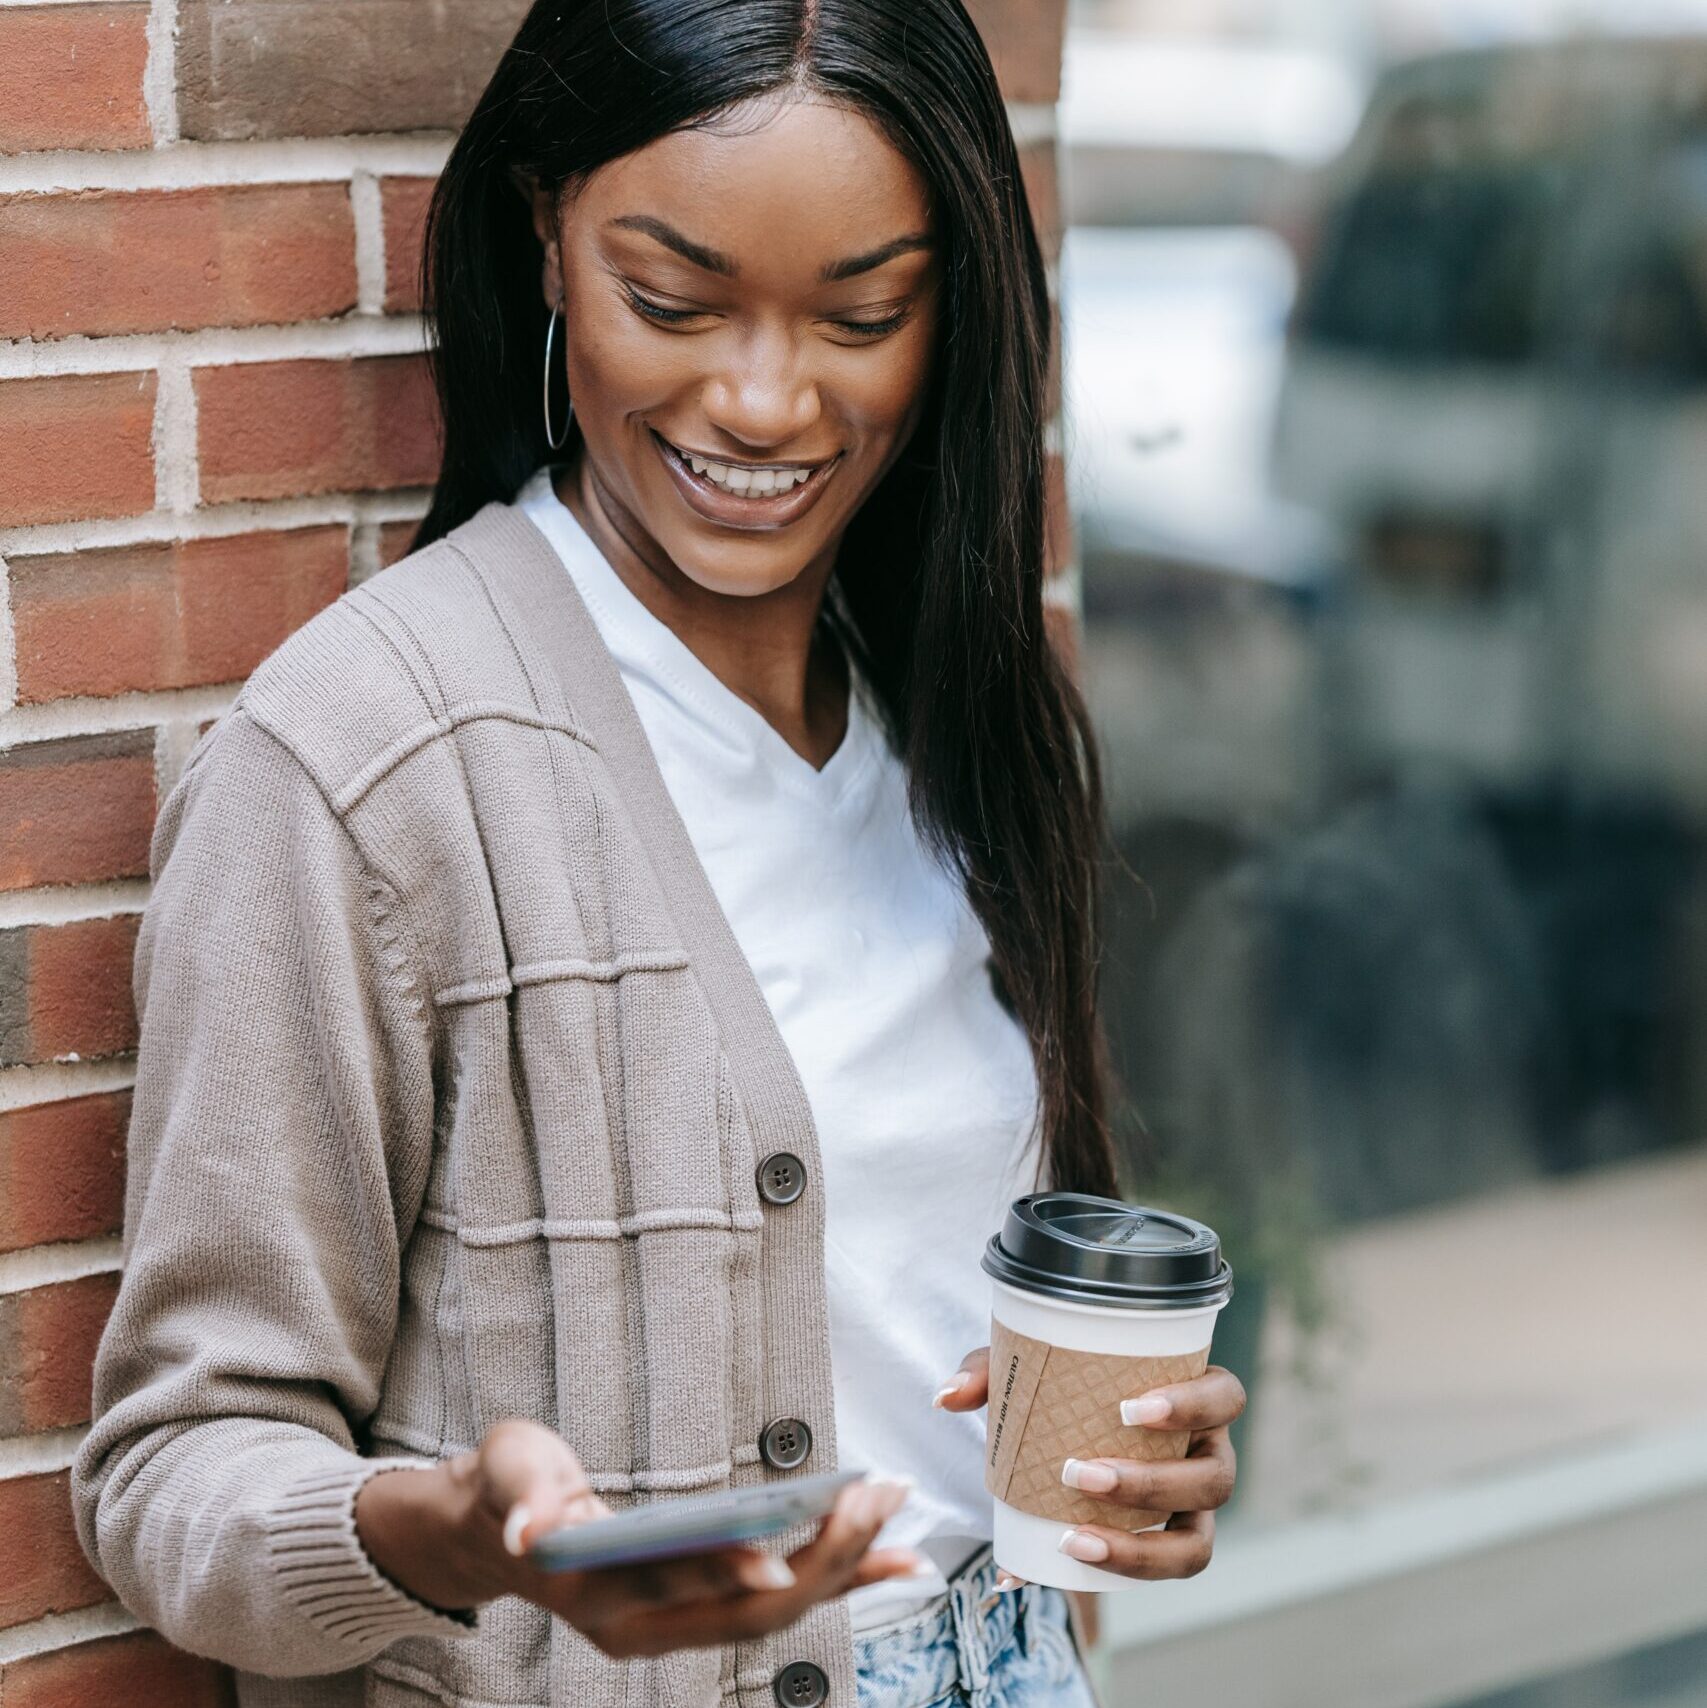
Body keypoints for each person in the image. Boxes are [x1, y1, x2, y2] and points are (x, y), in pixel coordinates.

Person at [70, 3, 1246, 1704]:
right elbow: (171, 1474)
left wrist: (1138, 1451)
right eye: (674, 303)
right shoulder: (366, 760)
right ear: (549, 237)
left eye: (863, 316)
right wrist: (457, 1539)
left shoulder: (956, 714)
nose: (764, 403)